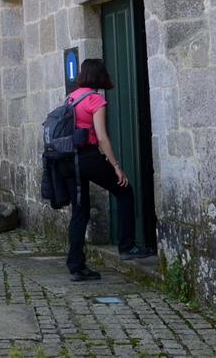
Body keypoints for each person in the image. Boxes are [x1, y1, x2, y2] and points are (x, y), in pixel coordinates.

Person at [58, 58, 155, 281]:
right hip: (87, 157)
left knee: (79, 213)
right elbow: (101, 137)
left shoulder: (71, 97)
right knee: (124, 191)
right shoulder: (95, 99)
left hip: (68, 160)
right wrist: (116, 167)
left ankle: (76, 266)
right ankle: (127, 246)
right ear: (100, 76)